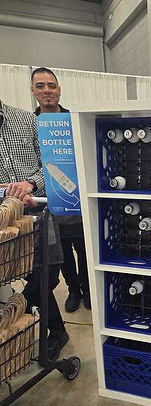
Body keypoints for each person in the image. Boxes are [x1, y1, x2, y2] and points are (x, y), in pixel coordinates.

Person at [0, 100, 69, 360]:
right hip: (8, 220)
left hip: (41, 213)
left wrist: (30, 184)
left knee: (49, 274)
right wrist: (7, 193)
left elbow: (50, 164)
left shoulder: (27, 120)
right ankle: (58, 331)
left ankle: (12, 312)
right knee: (29, 273)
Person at [31, 67, 91, 312]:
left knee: (86, 251)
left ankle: (88, 290)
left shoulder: (74, 121)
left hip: (78, 201)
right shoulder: (31, 125)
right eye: (41, 86)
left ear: (59, 90)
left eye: (51, 85)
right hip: (51, 207)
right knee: (63, 255)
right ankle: (73, 290)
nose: (47, 91)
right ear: (33, 91)